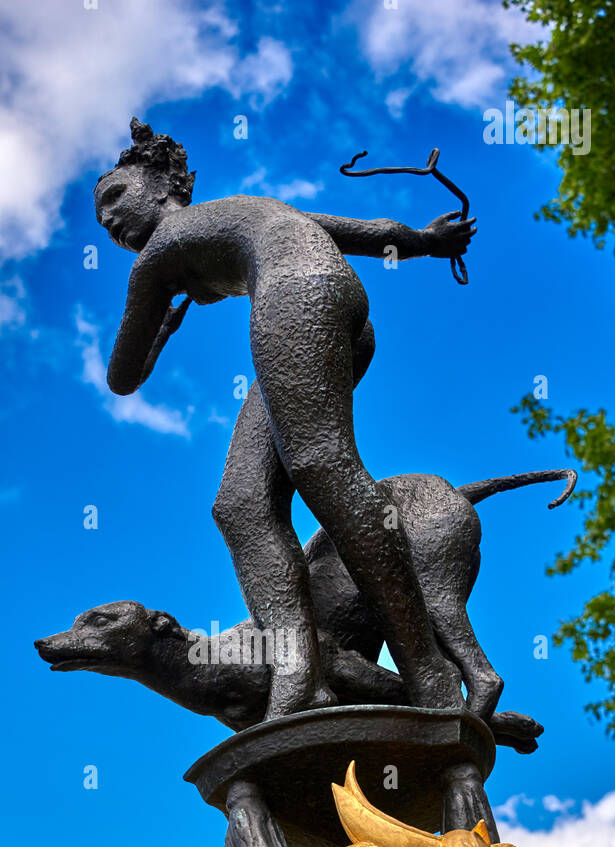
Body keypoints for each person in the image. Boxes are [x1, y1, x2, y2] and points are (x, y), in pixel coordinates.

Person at [96, 119, 477, 719]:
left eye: (115, 197)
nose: (110, 221)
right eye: (102, 218)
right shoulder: (250, 209)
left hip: (297, 295)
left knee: (321, 465)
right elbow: (370, 232)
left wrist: (163, 323)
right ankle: (300, 674)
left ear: (167, 185)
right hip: (335, 305)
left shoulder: (157, 259)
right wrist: (428, 243)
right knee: (241, 504)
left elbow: (121, 377)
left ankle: (427, 676)